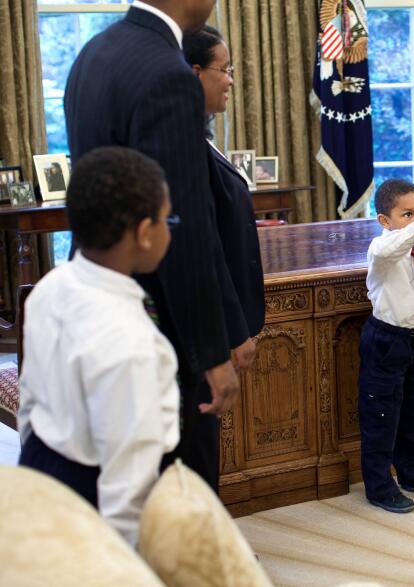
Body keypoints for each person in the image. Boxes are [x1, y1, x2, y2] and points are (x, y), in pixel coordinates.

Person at [64, 0, 241, 491]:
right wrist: (211, 351)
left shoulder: (93, 54)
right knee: (178, 485)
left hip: (98, 300)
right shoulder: (167, 73)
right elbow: (182, 224)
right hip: (159, 323)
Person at [18, 146, 178, 547]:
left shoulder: (50, 287)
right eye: (166, 219)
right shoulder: (130, 342)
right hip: (94, 493)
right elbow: (128, 481)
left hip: (40, 462)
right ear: (144, 234)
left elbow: (29, 400)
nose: (170, 230)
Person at [359, 179, 414, 514]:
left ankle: (413, 472)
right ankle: (379, 486)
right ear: (385, 221)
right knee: (381, 415)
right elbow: (390, 248)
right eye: (406, 213)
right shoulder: (381, 252)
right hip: (385, 341)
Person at [184, 25, 264, 368]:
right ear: (195, 72)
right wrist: (232, 330)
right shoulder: (183, 145)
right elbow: (204, 246)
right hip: (210, 330)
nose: (231, 80)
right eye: (225, 69)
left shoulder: (199, 135)